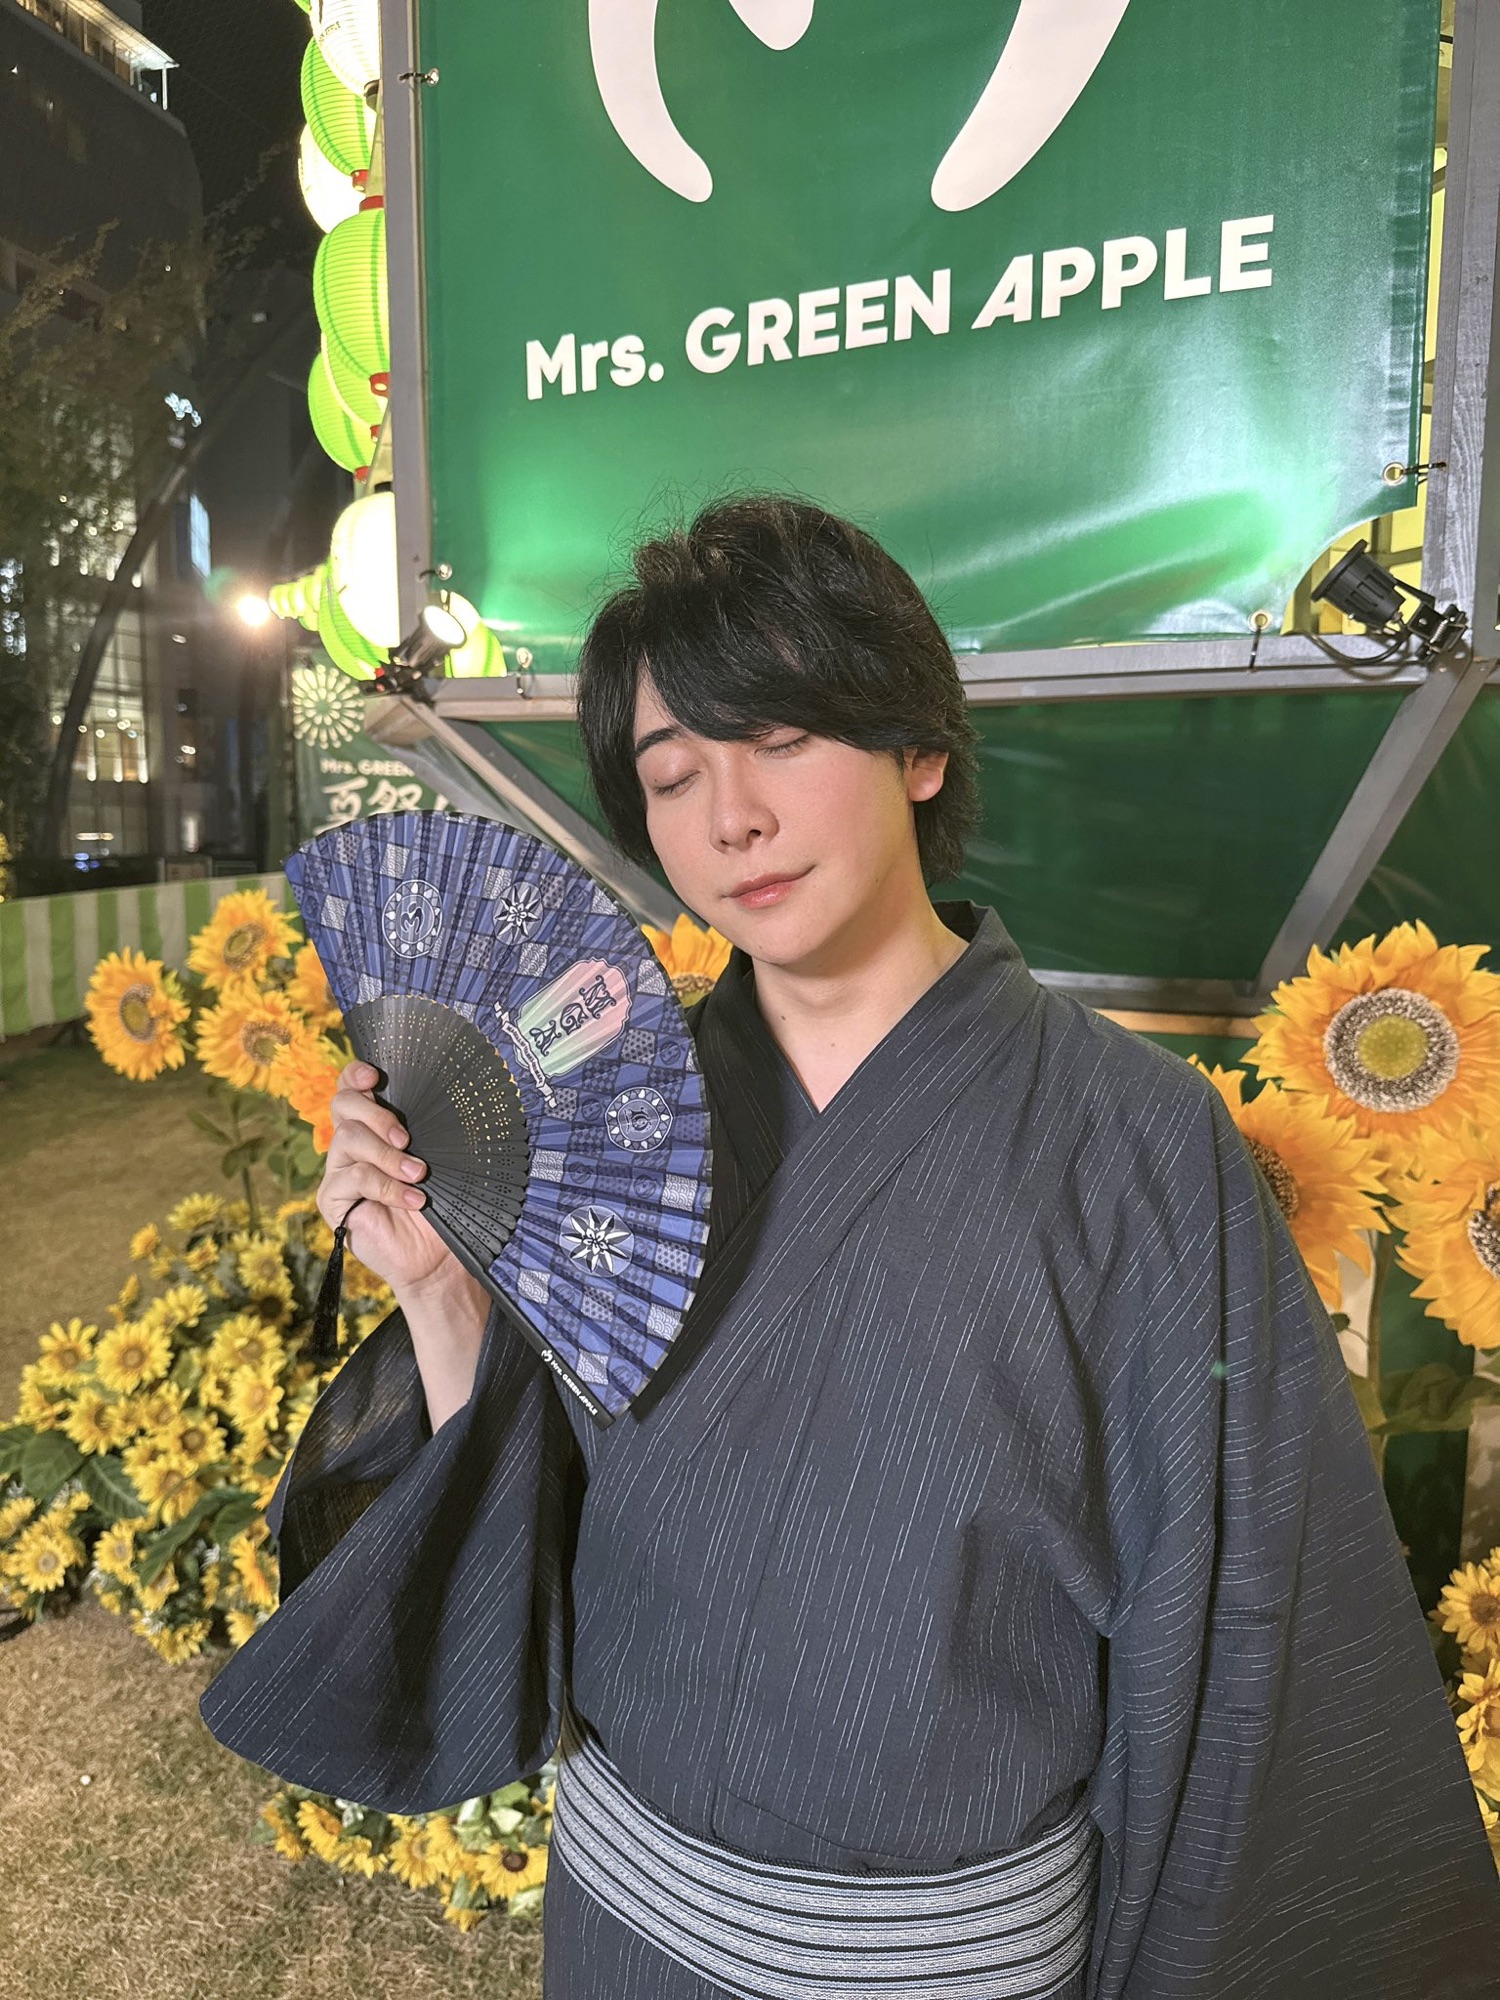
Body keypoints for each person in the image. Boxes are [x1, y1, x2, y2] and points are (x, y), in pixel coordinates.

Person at [201, 496, 1500, 1997]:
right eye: (672, 776)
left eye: (779, 740)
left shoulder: (1140, 1143)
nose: (730, 820)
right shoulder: (610, 1124)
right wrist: (442, 1295)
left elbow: (1244, 1617)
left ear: (919, 746)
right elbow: (528, 1543)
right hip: (624, 1934)